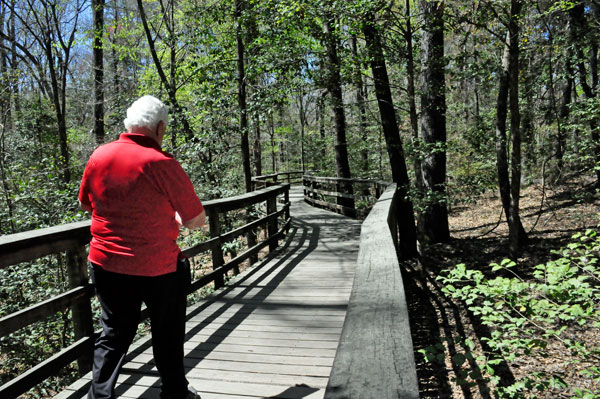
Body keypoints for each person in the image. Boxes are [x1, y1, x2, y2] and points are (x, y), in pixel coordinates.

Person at [78, 95, 205, 399]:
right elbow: (196, 221)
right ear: (160, 128)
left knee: (113, 335)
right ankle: (175, 393)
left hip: (107, 264)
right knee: (167, 333)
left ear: (128, 124)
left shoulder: (99, 156)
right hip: (158, 268)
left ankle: (100, 397)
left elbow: (86, 204)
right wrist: (173, 216)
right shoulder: (162, 163)